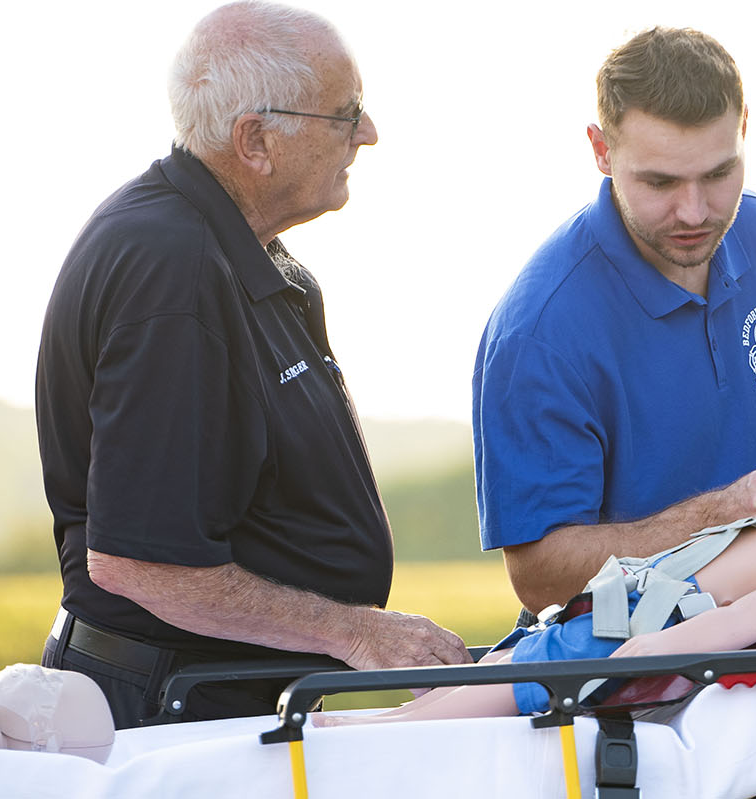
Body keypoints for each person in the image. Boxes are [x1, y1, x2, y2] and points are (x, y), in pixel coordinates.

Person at [35, 1, 467, 728]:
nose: (368, 132)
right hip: (165, 716)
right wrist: (356, 631)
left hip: (213, 699)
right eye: (345, 112)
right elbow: (137, 560)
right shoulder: (171, 269)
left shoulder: (230, 244)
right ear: (256, 140)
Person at [472, 27, 756, 616]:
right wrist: (716, 516)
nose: (695, 212)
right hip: (624, 655)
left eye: (717, 173)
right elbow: (542, 581)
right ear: (601, 150)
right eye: (659, 182)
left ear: (745, 129)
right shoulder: (538, 334)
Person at [320, 432, 756, 724]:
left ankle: (362, 741)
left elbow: (744, 622)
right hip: (601, 616)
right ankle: (364, 730)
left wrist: (644, 655)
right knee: (476, 684)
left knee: (490, 696)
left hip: (618, 641)